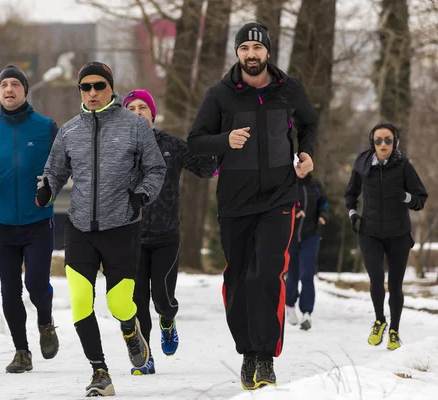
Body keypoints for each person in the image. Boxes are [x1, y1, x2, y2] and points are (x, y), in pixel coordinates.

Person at [187, 22, 318, 390]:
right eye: (245, 48)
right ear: (237, 53)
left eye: (257, 49)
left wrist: (306, 152)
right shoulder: (220, 95)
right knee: (239, 277)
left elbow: (309, 123)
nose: (251, 54)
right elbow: (196, 141)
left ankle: (264, 356)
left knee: (267, 274)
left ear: (268, 53)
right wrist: (224, 140)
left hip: (279, 197)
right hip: (234, 201)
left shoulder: (288, 90)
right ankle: (247, 352)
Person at [35, 62, 166, 396]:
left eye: (98, 86)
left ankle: (130, 329)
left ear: (110, 87)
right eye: (85, 87)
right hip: (79, 226)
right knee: (80, 302)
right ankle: (100, 372)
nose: (92, 92)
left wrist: (143, 194)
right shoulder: (69, 131)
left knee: (119, 303)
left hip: (122, 225)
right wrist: (48, 187)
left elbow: (155, 169)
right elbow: (54, 169)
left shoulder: (135, 126)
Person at [0, 65, 60, 373]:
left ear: (24, 90)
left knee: (35, 283)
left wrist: (50, 183)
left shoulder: (46, 128)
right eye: (3, 84)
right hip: (1, 223)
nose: (8, 89)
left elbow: (63, 166)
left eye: (14, 84)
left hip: (38, 220)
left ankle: (45, 322)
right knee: (10, 289)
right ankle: (22, 351)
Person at [122, 89, 217, 375]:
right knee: (137, 301)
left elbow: (205, 169)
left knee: (162, 297)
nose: (137, 112)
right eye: (131, 108)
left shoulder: (171, 146)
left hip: (166, 236)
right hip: (131, 237)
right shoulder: (117, 149)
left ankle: (167, 320)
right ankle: (145, 356)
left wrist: (216, 142)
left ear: (153, 114)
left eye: (143, 107)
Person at [344, 123, 427, 350]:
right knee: (376, 280)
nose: (383, 144)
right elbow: (351, 193)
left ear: (395, 142)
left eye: (388, 140)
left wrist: (404, 197)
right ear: (372, 141)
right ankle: (379, 320)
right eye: (378, 140)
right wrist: (353, 214)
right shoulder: (362, 164)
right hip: (369, 232)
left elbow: (421, 199)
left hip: (398, 234)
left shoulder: (403, 166)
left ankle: (394, 331)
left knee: (395, 285)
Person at [285, 155, 329, 331]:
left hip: (311, 236)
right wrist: (294, 213)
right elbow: (281, 207)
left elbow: (324, 204)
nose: (301, 170)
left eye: (304, 166)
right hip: (290, 236)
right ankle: (289, 306)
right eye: (298, 166)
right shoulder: (287, 185)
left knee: (307, 275)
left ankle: (307, 313)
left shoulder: (315, 185)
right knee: (292, 274)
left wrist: (322, 217)